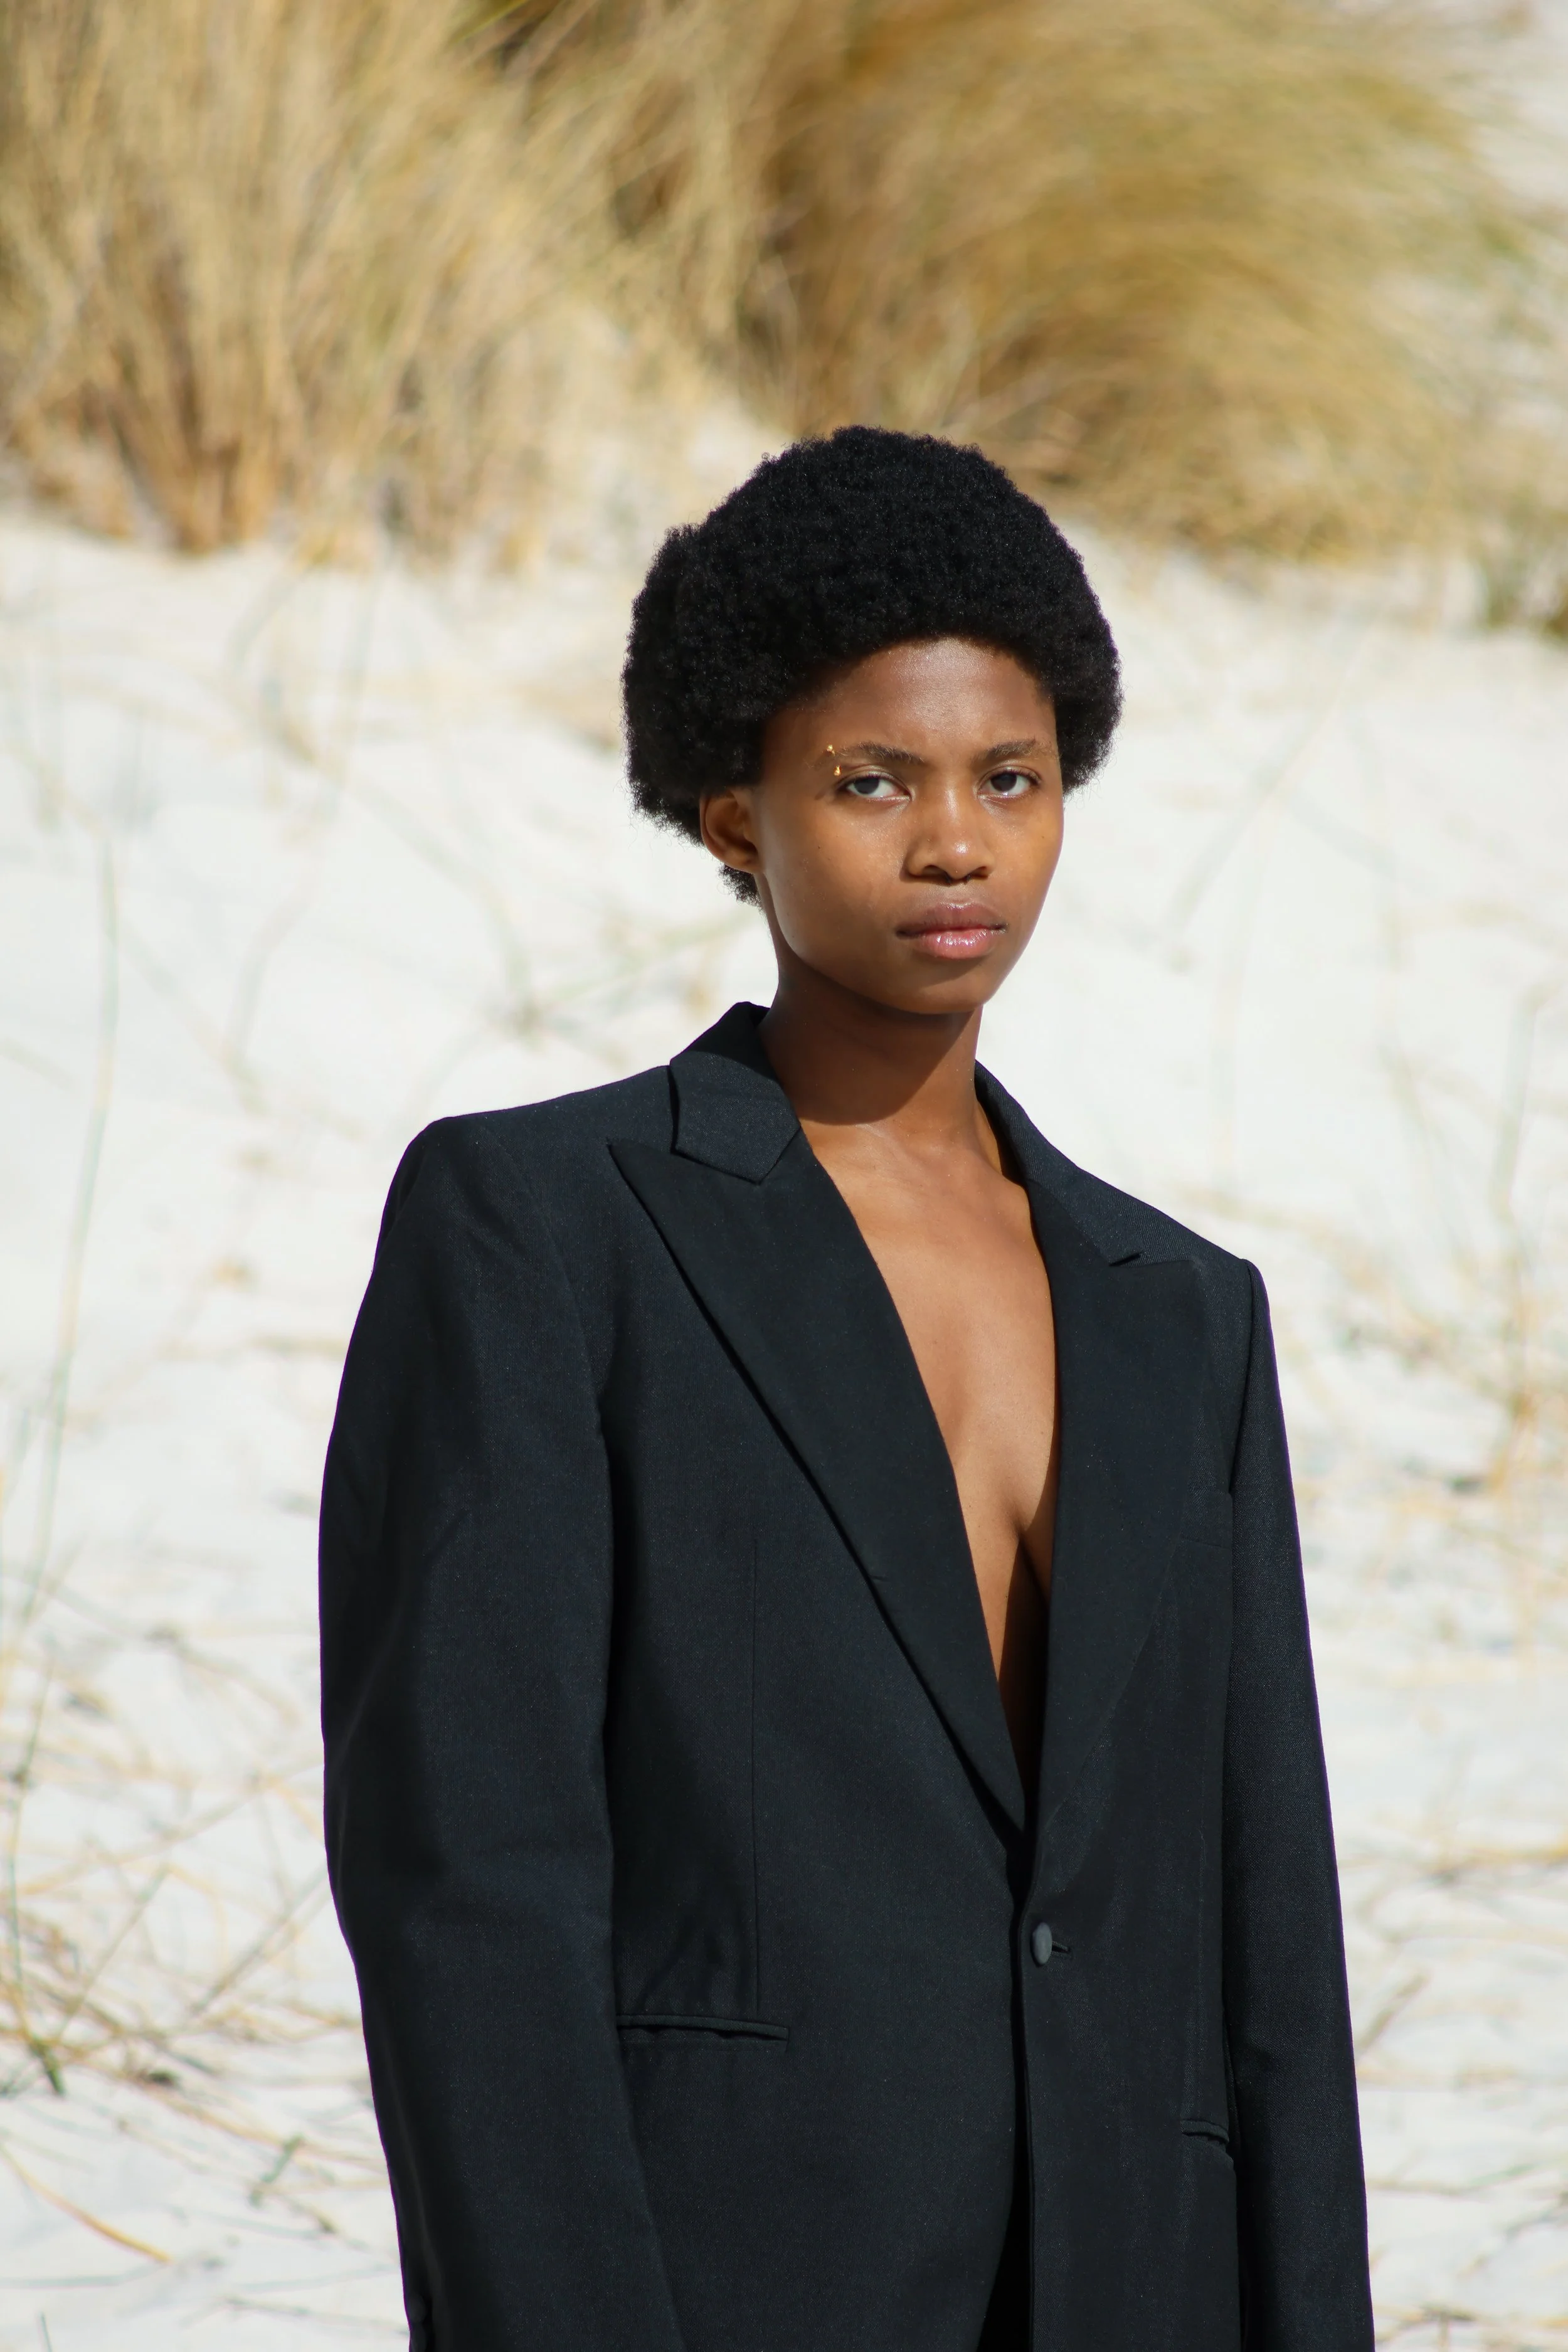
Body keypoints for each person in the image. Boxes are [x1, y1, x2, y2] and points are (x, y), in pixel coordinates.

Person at [319, 426, 1374, 2352]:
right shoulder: (544, 1226)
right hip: (731, 2285)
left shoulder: (1180, 1313)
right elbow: (470, 1887)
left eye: (1011, 778)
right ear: (734, 815)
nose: (953, 840)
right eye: (868, 780)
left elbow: (1266, 1940)